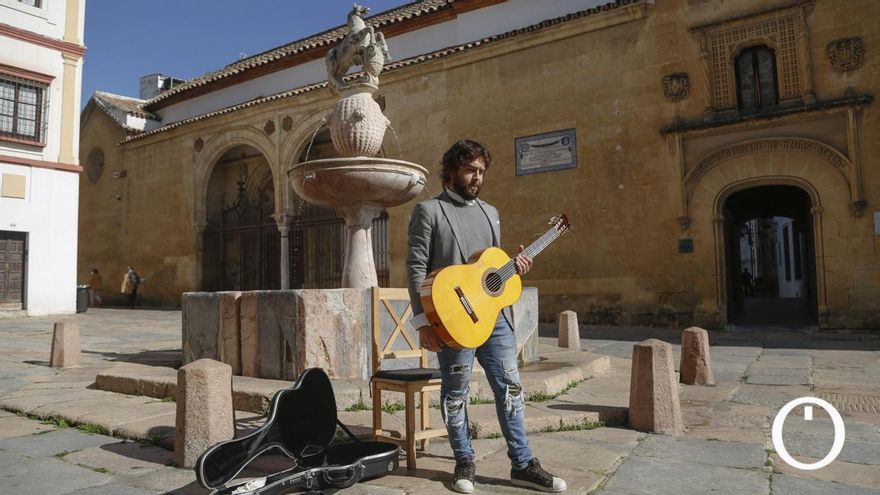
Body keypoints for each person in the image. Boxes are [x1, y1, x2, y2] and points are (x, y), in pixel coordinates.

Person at [407, 139, 566, 493]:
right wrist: (423, 323)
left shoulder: (490, 212)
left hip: (495, 320)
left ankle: (523, 464)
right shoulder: (429, 211)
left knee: (510, 389)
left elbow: (488, 269)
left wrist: (515, 267)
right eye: (470, 169)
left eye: (481, 171)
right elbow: (416, 269)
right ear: (451, 170)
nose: (477, 176)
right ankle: (464, 462)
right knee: (455, 394)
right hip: (451, 320)